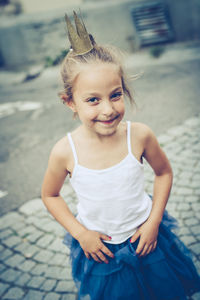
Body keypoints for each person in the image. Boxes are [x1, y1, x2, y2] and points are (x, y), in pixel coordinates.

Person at [41, 11, 200, 300]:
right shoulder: (65, 151)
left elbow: (163, 172)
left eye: (115, 95)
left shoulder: (139, 136)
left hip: (148, 238)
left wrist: (153, 221)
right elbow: (50, 195)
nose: (108, 109)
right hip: (103, 251)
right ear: (69, 102)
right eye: (92, 100)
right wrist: (80, 233)